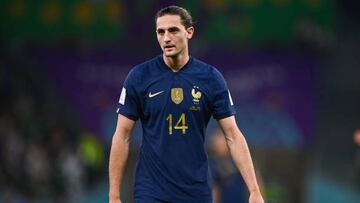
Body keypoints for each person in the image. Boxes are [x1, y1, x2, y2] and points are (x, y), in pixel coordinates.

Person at [109, 5, 264, 203]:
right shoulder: (139, 77)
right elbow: (122, 135)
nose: (166, 38)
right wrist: (113, 195)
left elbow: (233, 135)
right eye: (160, 32)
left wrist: (254, 190)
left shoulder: (211, 78)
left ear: (189, 32)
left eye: (173, 30)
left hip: (195, 189)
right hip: (151, 189)